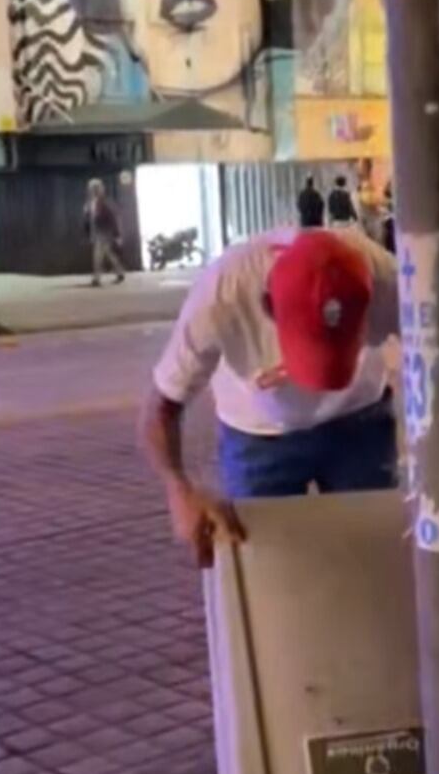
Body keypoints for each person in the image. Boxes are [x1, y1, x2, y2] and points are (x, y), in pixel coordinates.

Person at [139, 226, 400, 567]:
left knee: (376, 555)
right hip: (258, 434)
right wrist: (179, 489)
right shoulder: (222, 295)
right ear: (268, 306)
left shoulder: (386, 277)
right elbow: (161, 407)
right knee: (261, 562)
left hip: (359, 418)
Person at [82, 177, 127, 287]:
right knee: (108, 253)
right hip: (96, 232)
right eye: (91, 188)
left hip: (104, 232)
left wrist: (117, 235)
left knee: (97, 254)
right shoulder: (89, 203)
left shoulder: (105, 202)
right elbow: (88, 220)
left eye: (94, 188)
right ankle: (120, 272)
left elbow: (113, 218)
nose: (92, 190)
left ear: (98, 189)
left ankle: (96, 279)